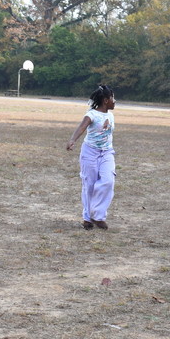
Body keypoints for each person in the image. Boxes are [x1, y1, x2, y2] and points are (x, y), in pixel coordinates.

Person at [66, 85, 117, 230]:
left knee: (108, 181)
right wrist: (72, 140)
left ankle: (97, 215)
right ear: (106, 100)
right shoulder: (92, 115)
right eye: (113, 98)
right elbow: (82, 127)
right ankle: (88, 218)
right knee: (89, 185)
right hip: (90, 153)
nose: (115, 101)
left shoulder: (111, 115)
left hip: (106, 153)